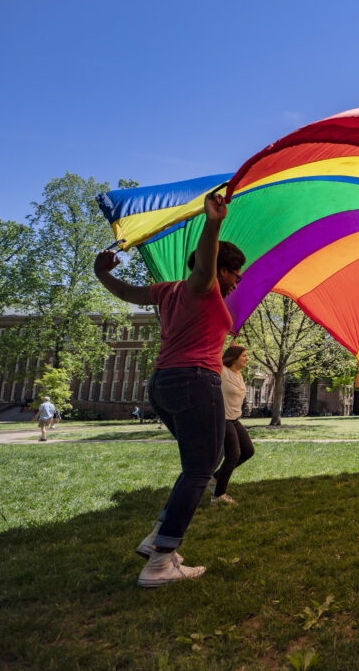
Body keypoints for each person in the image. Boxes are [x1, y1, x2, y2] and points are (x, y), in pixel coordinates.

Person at [95, 191, 245, 587]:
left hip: (162, 384)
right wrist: (213, 223)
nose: (237, 281)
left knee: (199, 463)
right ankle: (160, 562)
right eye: (236, 273)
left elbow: (126, 293)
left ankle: (158, 538)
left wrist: (101, 273)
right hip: (195, 380)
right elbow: (206, 266)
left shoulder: (166, 291)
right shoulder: (203, 287)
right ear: (220, 269)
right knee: (201, 467)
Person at [207, 345, 255, 505]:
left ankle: (214, 479)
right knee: (233, 455)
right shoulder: (222, 371)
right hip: (222, 418)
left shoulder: (239, 373)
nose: (247, 358)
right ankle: (218, 496)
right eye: (244, 356)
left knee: (248, 451)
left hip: (234, 418)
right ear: (234, 357)